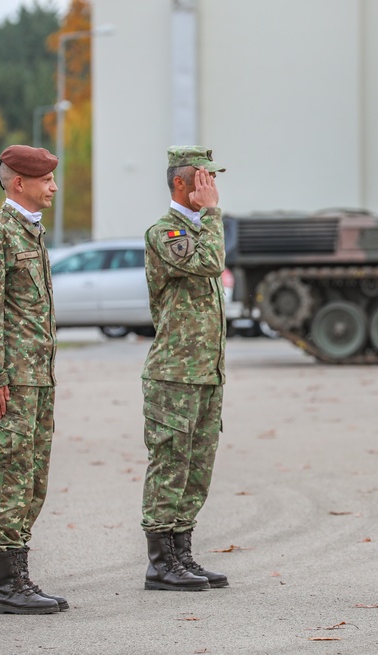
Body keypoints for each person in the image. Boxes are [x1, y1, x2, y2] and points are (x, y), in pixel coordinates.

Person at [0, 145, 67, 615]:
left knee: (33, 480)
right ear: (17, 182)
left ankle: (18, 575)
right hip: (11, 381)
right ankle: (4, 585)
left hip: (37, 379)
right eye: (45, 180)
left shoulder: (31, 233)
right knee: (10, 474)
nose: (53, 187)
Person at [140, 146, 230, 592]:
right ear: (181, 184)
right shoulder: (165, 232)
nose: (212, 188)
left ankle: (182, 553)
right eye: (204, 179)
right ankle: (160, 563)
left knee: (197, 466)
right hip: (174, 374)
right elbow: (210, 263)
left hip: (205, 373)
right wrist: (213, 216)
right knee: (170, 465)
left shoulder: (198, 229)